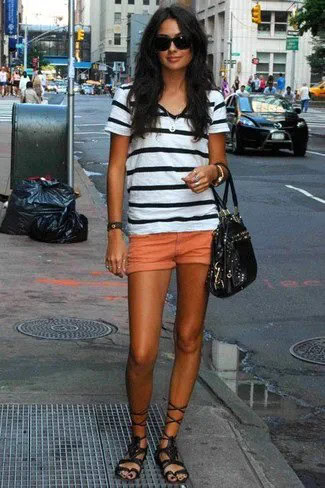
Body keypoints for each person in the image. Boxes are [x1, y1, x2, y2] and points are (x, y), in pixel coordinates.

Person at [105, 4, 229, 483]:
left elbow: (222, 165)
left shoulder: (211, 99)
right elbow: (117, 167)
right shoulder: (129, 97)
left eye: (181, 41)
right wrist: (116, 231)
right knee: (141, 351)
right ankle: (138, 435)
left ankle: (167, 438)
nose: (173, 49)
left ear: (194, 45)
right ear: (151, 47)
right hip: (149, 235)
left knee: (188, 337)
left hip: (199, 231)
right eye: (163, 41)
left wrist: (211, 172)